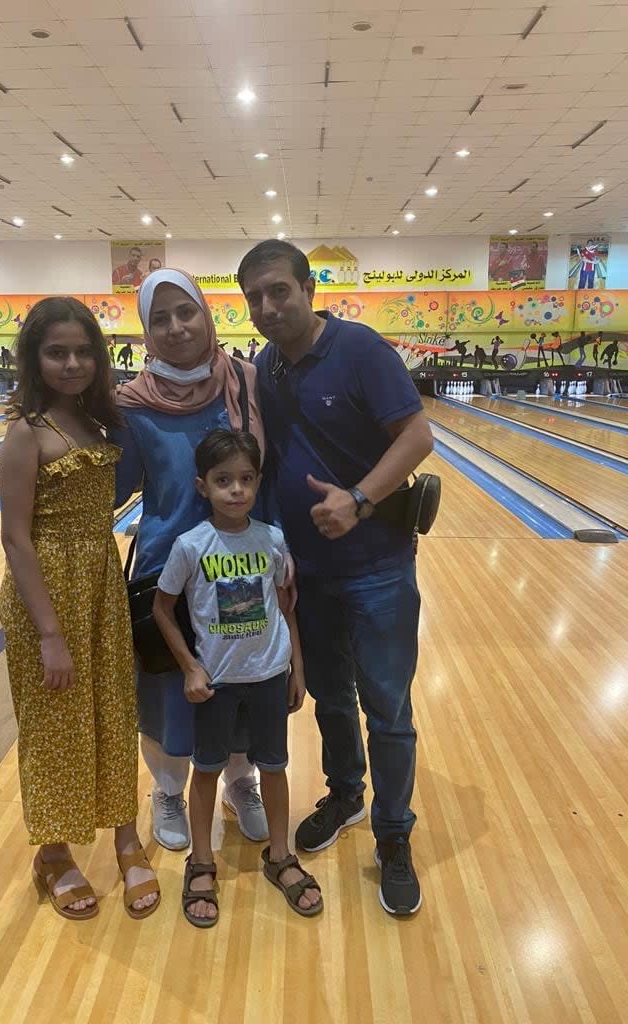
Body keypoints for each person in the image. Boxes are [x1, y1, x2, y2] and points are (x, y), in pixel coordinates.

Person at [237, 239, 434, 916]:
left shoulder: (360, 349)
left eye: (278, 290)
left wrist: (361, 499)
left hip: (377, 568)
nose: (267, 307)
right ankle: (346, 796)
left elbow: (416, 435)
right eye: (255, 297)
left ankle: (394, 837)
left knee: (388, 709)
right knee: (329, 697)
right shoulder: (268, 368)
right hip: (311, 572)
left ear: (308, 287)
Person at [0, 296, 159, 922]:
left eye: (83, 351)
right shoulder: (27, 433)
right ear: (36, 360)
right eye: (57, 352)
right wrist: (49, 635)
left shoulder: (98, 423)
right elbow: (15, 539)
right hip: (48, 597)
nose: (72, 363)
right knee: (54, 726)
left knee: (113, 715)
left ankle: (124, 836)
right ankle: (55, 852)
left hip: (101, 588)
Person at [112, 268, 270, 852]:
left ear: (207, 314)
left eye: (187, 312)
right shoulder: (130, 403)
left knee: (240, 677)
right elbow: (118, 487)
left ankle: (241, 781)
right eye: (160, 318)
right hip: (167, 571)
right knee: (170, 691)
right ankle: (169, 790)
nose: (176, 327)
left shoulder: (246, 382)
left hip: (241, 563)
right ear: (146, 332)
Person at [154, 429, 322, 927]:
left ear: (257, 482)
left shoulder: (272, 539)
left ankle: (280, 855)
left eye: (246, 479)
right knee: (205, 770)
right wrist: (190, 666)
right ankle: (201, 862)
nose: (236, 490)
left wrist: (298, 668)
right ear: (203, 486)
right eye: (223, 480)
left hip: (270, 675)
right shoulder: (191, 545)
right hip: (218, 684)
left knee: (273, 766)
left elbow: (286, 610)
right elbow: (163, 611)